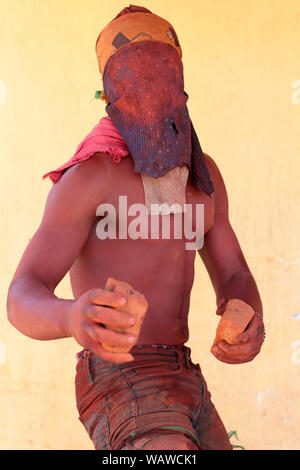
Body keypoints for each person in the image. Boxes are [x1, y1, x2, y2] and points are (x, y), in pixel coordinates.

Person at [6, 5, 265, 450]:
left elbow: (235, 273)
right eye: (134, 77)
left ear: (182, 83)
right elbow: (20, 294)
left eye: (163, 74)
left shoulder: (203, 177)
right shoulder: (90, 178)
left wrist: (248, 322)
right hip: (117, 376)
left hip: (183, 374)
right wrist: (71, 316)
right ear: (109, 92)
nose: (151, 88)